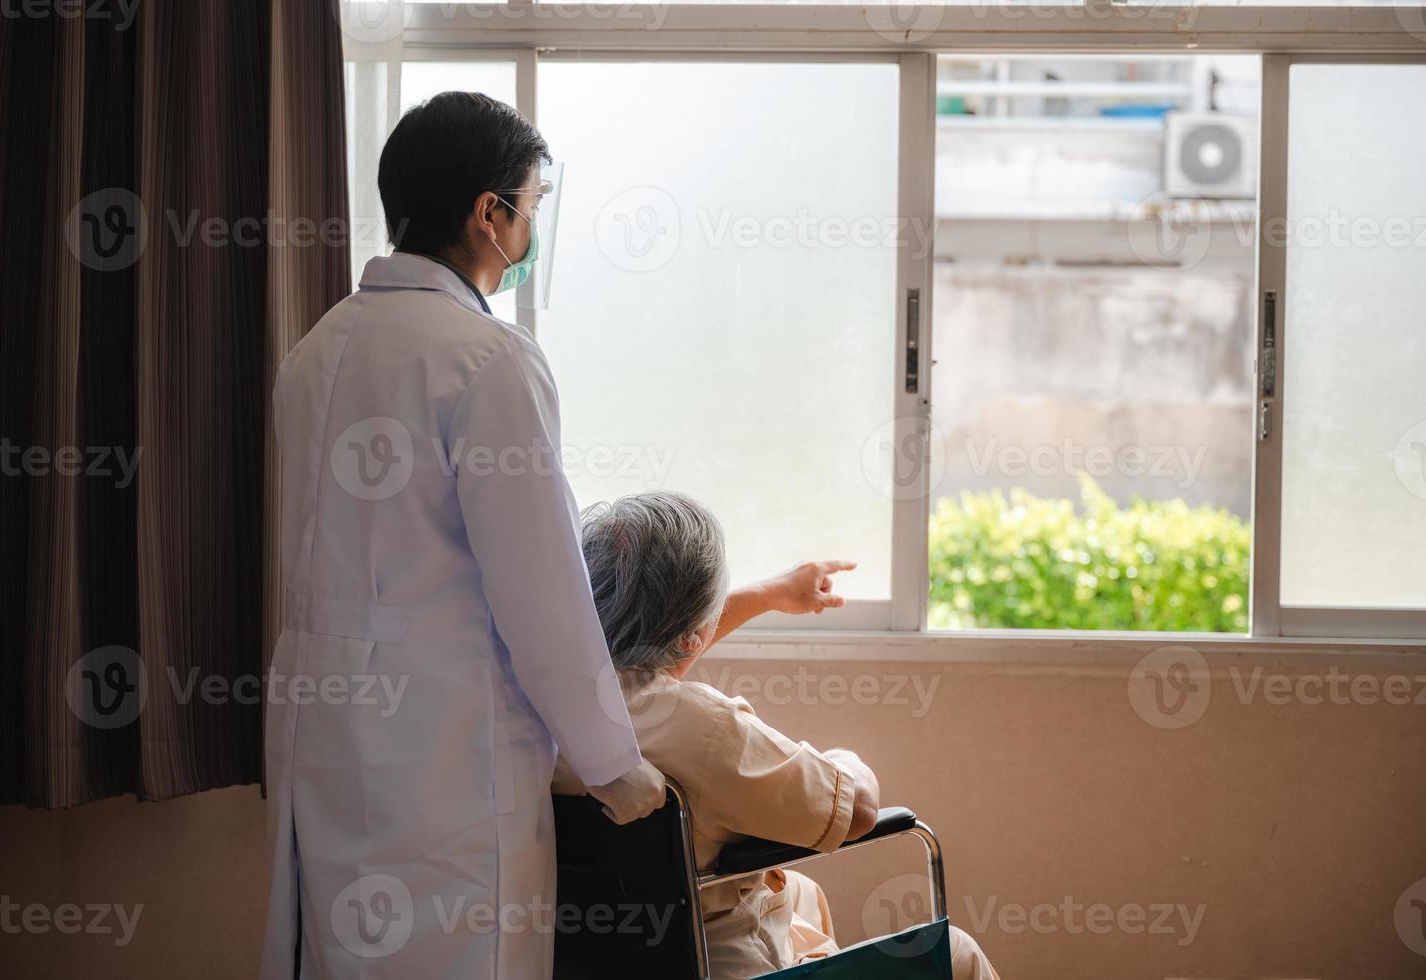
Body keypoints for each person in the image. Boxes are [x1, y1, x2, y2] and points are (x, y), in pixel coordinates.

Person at [259, 92, 666, 979]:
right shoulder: (487, 360)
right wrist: (611, 763)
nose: (532, 231)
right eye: (533, 205)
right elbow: (540, 591)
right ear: (490, 213)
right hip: (444, 747)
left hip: (323, 730)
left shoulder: (317, 349)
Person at [552, 491, 1002, 980]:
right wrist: (844, 761)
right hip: (728, 968)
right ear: (690, 634)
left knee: (803, 894)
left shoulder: (543, 704)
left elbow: (654, 655)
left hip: (608, 961)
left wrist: (770, 594)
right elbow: (858, 812)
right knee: (957, 951)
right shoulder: (706, 728)